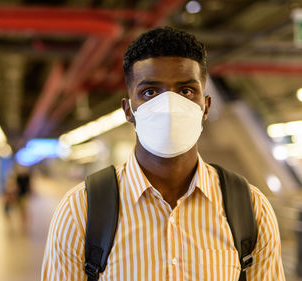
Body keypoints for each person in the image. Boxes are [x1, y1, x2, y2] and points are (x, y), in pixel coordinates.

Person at [41, 27, 285, 281]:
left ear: (206, 107)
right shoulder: (81, 210)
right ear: (128, 111)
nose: (169, 105)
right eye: (150, 92)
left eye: (186, 91)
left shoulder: (251, 210)